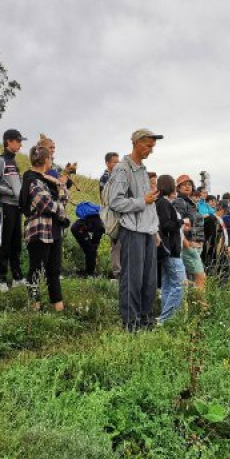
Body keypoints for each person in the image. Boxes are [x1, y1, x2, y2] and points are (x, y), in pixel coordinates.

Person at [108, 128, 162, 330]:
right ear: (137, 143)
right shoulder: (123, 169)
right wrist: (142, 201)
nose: (151, 150)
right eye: (148, 146)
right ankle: (131, 323)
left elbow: (151, 204)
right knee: (132, 278)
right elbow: (115, 202)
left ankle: (146, 319)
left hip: (147, 231)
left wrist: (155, 230)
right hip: (131, 230)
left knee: (149, 279)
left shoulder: (143, 170)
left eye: (152, 147)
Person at [20, 144, 69, 310]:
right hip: (39, 230)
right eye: (51, 158)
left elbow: (64, 196)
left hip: (53, 230)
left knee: (54, 271)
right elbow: (45, 205)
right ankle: (34, 307)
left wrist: (59, 186)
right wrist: (61, 207)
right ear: (46, 160)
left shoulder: (47, 181)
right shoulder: (32, 180)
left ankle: (58, 307)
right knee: (36, 269)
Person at [0, 129, 26, 291]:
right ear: (8, 141)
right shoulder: (0, 160)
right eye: (18, 141)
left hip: (17, 208)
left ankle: (17, 277)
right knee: (3, 244)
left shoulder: (14, 161)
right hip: (5, 207)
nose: (20, 144)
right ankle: (1, 280)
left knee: (16, 243)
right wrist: (12, 192)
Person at [155, 174, 185, 323]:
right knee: (180, 284)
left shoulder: (160, 202)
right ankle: (166, 320)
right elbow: (166, 225)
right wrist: (181, 221)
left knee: (168, 285)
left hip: (167, 250)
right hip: (171, 250)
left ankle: (163, 317)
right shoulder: (164, 203)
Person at [173, 175, 206, 290]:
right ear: (178, 188)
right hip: (189, 246)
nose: (187, 186)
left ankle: (190, 305)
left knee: (189, 281)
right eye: (184, 184)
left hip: (197, 246)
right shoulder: (179, 202)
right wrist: (187, 243)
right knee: (201, 278)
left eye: (189, 184)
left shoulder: (190, 202)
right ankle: (202, 307)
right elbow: (177, 224)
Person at [100, 151, 121, 279]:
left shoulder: (116, 176)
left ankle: (119, 269)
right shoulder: (106, 177)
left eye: (118, 162)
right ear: (107, 163)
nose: (117, 164)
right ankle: (117, 272)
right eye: (114, 162)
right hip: (111, 214)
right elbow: (106, 197)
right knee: (116, 242)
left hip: (118, 213)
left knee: (120, 243)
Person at [71, 206, 105, 276]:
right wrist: (94, 246)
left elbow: (95, 240)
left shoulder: (98, 220)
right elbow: (96, 241)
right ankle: (90, 273)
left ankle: (89, 271)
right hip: (78, 230)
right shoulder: (100, 226)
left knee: (90, 250)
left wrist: (94, 245)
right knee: (91, 250)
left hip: (79, 227)